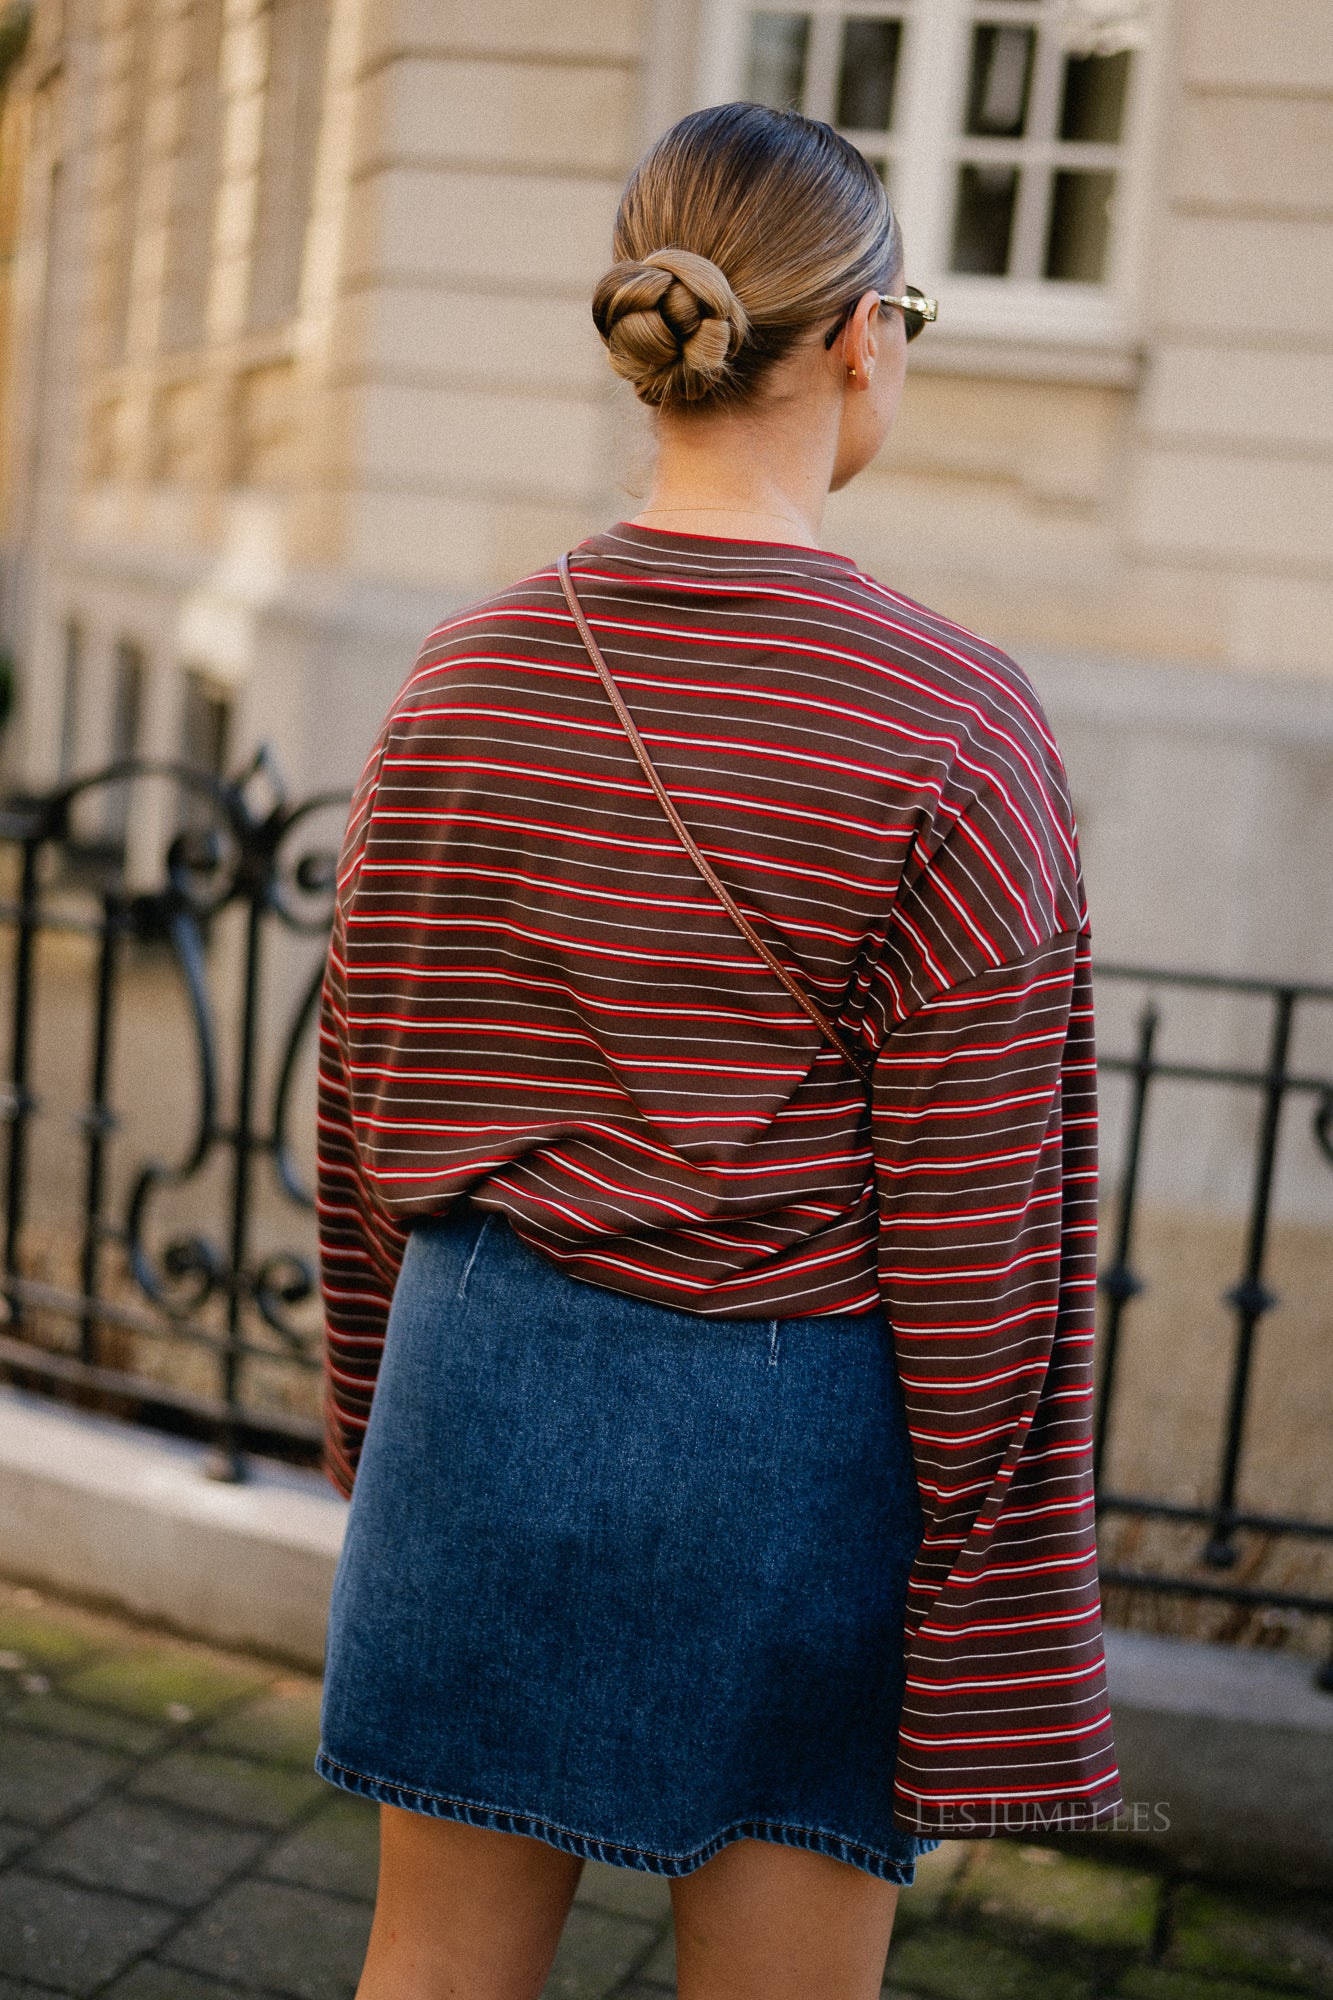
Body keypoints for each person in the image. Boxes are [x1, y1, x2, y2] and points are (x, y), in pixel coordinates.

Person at [314, 100, 1122, 2000]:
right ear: (860, 338)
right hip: (790, 1445)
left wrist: (380, 1421)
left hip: (476, 1397)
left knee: (429, 1974)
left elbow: (366, 1101)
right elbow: (988, 1230)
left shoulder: (462, 671)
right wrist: (988, 1586)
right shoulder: (953, 720)